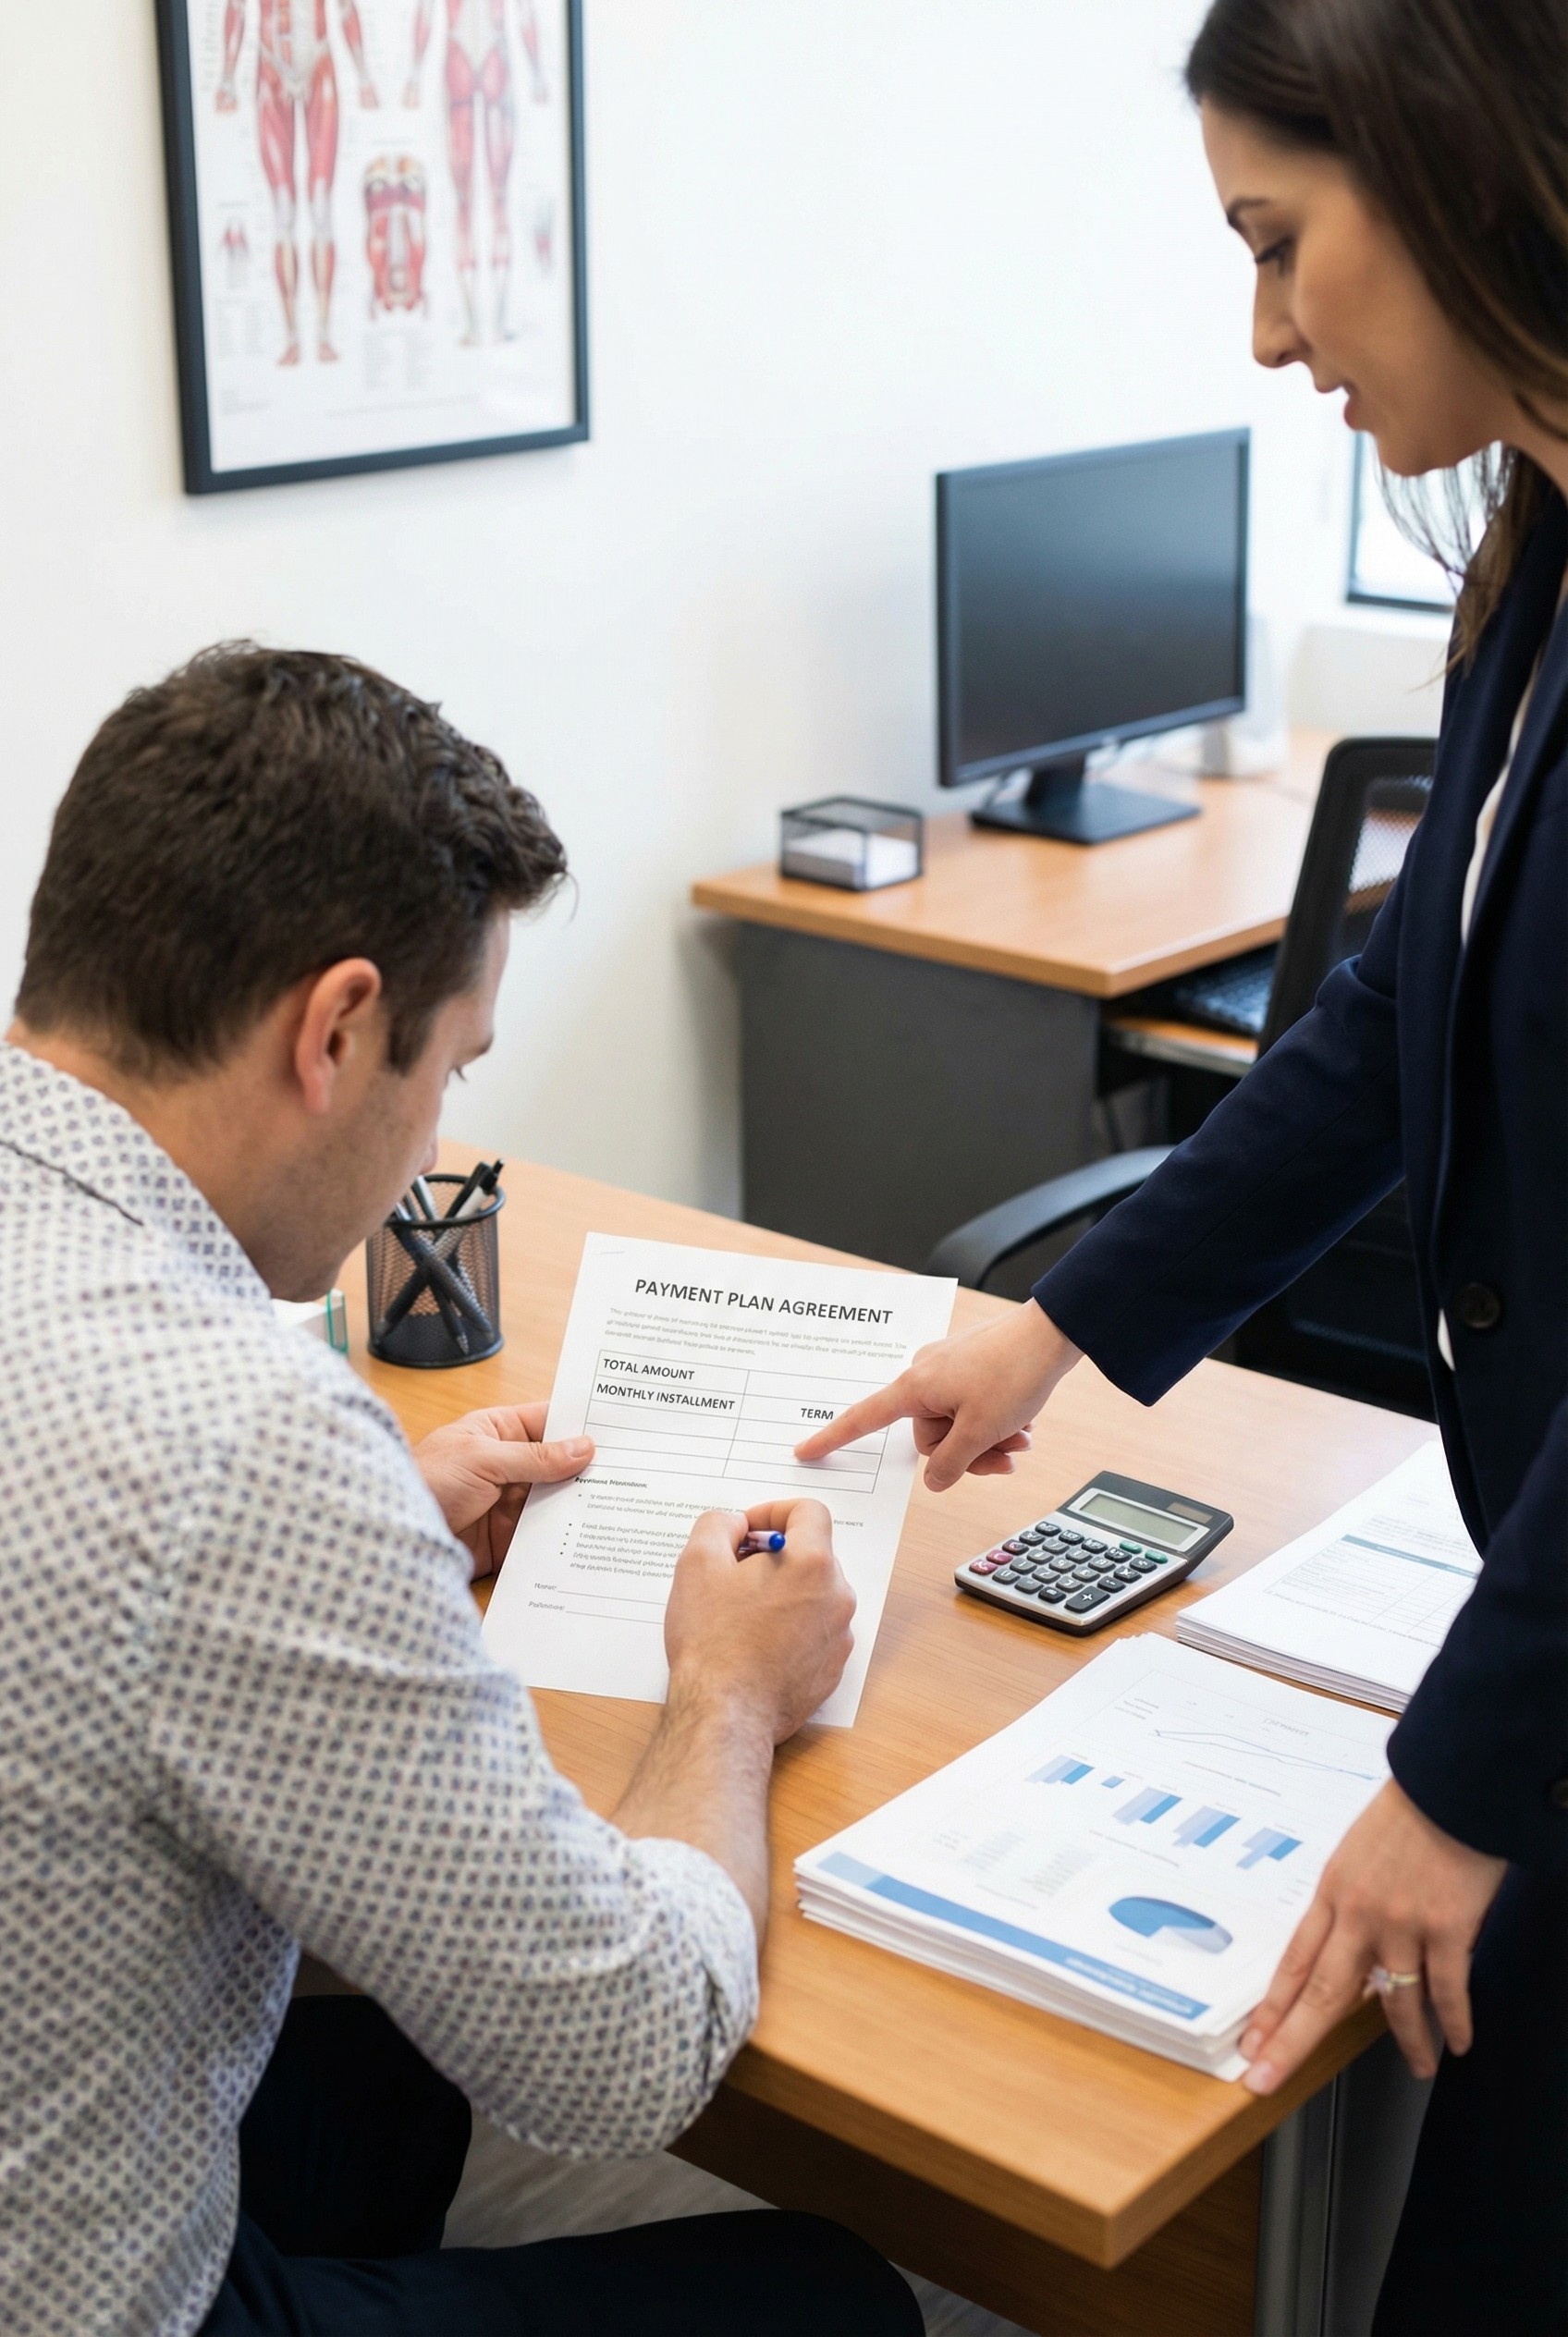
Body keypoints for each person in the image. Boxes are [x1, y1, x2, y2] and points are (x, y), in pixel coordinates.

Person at [799, 2, 1567, 2329]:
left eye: (1273, 241)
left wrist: (1457, 1780)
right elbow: (1390, 1017)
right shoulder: (1534, 554)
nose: (1262, 334)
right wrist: (1052, 1325)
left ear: (1453, 170)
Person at [0, 646, 922, 2337]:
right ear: (338, 1029)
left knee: (392, 2041)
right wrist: (729, 1692)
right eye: (454, 1072)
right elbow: (627, 2052)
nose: (433, 1143)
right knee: (829, 2297)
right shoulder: (242, 1438)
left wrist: (364, 1525)